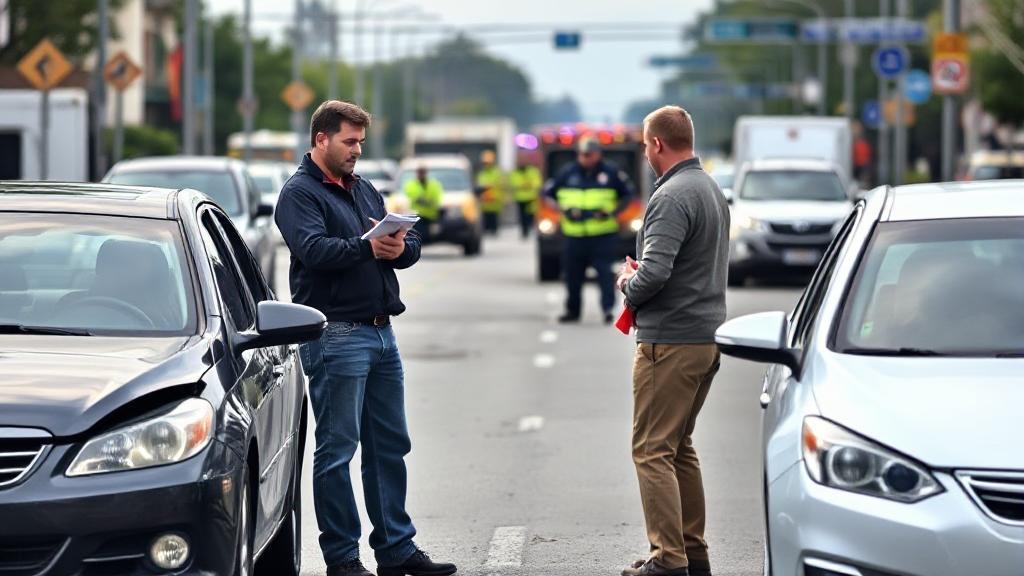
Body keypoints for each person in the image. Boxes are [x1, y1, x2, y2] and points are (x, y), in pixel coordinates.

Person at [274, 100, 457, 576]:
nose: (356, 151)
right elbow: (313, 250)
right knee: (337, 452)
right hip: (336, 335)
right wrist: (366, 246)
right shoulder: (299, 194)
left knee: (390, 445)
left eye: (360, 142)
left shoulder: (363, 189)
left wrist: (400, 246)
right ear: (321, 139)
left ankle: (396, 550)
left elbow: (403, 244)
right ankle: (342, 558)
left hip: (381, 334)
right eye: (349, 142)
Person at [616, 106, 729, 576]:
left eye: (645, 145)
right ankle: (691, 553)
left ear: (658, 144)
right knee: (679, 446)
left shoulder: (671, 195)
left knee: (651, 450)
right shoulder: (709, 188)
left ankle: (668, 560)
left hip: (672, 341)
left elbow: (656, 271)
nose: (645, 152)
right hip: (704, 337)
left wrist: (627, 284)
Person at [543, 137, 633, 324]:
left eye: (589, 155)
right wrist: (563, 211)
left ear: (598, 154)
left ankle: (608, 309)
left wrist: (611, 213)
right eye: (582, 155)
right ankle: (573, 311)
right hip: (574, 235)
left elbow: (627, 196)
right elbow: (548, 195)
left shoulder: (610, 173)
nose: (585, 158)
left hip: (602, 235)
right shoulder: (568, 173)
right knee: (572, 276)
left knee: (604, 275)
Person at [404, 165, 444, 243]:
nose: (421, 174)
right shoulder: (411, 184)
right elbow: (412, 196)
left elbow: (437, 198)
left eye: (422, 172)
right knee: (421, 235)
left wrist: (426, 201)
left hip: (432, 215)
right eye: (420, 172)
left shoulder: (433, 184)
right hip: (418, 215)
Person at [508, 156, 542, 239]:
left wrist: (526, 185)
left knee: (530, 215)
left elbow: (537, 183)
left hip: (531, 198)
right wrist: (526, 185)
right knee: (522, 216)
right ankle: (524, 232)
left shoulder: (533, 171)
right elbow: (513, 183)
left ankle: (530, 229)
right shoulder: (515, 172)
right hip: (520, 198)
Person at [476, 150, 505, 235]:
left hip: (494, 202)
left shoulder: (497, 173)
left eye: (488, 163)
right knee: (485, 222)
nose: (486, 165)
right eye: (485, 163)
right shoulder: (481, 174)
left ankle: (494, 230)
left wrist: (495, 196)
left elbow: (500, 186)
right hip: (484, 203)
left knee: (494, 221)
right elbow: (479, 186)